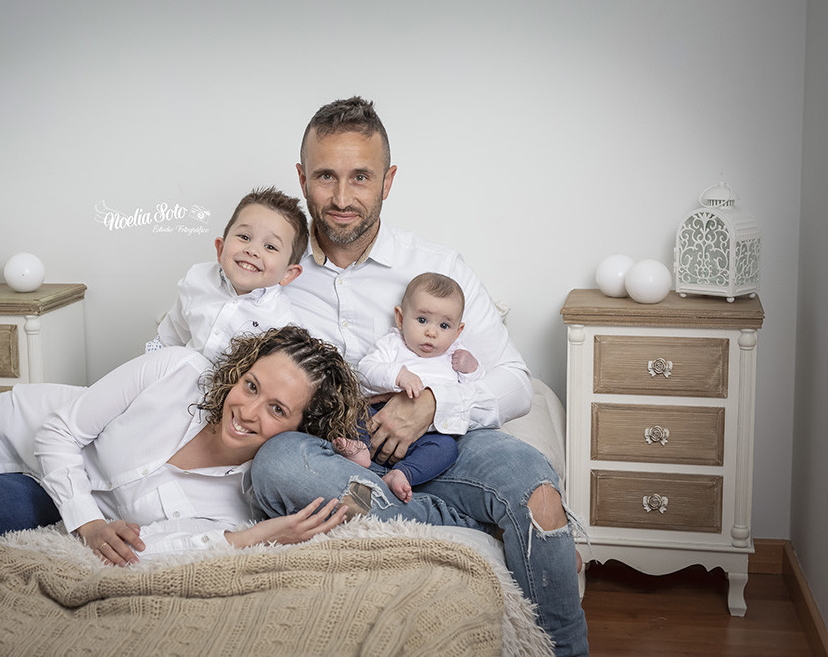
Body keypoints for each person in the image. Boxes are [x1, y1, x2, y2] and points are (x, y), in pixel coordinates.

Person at [249, 97, 589, 655]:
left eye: (361, 177)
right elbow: (201, 342)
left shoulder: (438, 268)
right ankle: (466, 522)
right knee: (277, 467)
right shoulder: (271, 264)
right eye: (325, 176)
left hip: (444, 444)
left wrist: (432, 403)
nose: (342, 197)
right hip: (335, 453)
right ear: (302, 178)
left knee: (534, 484)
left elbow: (514, 381)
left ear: (388, 181)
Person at [0, 326, 365, 572]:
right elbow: (58, 433)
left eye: (277, 409)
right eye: (251, 386)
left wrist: (255, 537)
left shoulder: (238, 503)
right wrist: (89, 523)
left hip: (47, 495)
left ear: (300, 429)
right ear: (240, 372)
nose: (247, 410)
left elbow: (156, 550)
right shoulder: (177, 370)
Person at [334, 272, 481, 503]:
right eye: (422, 320)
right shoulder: (393, 344)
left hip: (427, 434)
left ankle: (402, 474)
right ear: (401, 318)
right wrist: (399, 374)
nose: (431, 332)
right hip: (379, 415)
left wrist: (472, 369)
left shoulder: (455, 356)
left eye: (444, 325)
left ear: (457, 332)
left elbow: (474, 395)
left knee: (447, 449)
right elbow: (366, 369)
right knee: (351, 413)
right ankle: (359, 448)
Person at [149, 186, 307, 360]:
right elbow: (170, 337)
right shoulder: (197, 280)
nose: (252, 250)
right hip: (177, 371)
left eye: (270, 246)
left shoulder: (283, 325)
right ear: (220, 248)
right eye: (244, 237)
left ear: (288, 274)